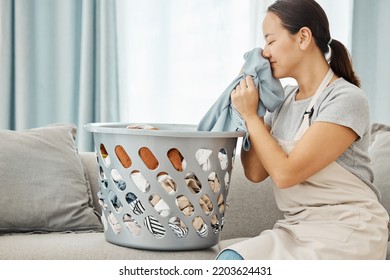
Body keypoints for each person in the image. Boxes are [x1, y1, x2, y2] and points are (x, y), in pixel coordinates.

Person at [217, 0, 389, 260]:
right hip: (297, 228)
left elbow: (286, 174)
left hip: (349, 231)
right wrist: (258, 108)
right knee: (230, 260)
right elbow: (254, 172)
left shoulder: (345, 98)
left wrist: (251, 116)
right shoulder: (282, 101)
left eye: (271, 41)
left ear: (303, 37)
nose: (264, 53)